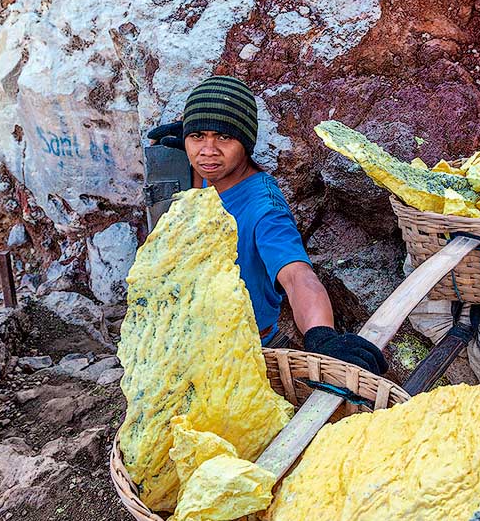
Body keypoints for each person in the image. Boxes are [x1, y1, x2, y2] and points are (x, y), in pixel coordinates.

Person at [148, 75, 387, 375]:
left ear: (246, 144)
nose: (207, 150)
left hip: (242, 354)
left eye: (224, 137)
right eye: (198, 136)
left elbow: (298, 276)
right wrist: (188, 139)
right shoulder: (204, 172)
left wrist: (322, 336)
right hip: (187, 341)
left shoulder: (264, 208)